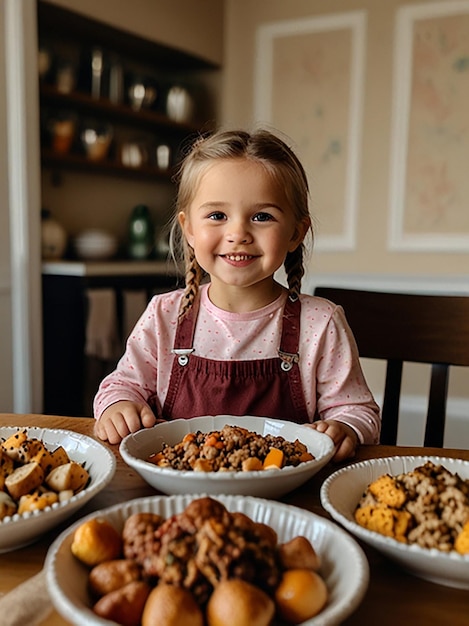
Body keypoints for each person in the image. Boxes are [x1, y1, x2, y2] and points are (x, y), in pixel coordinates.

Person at [93, 128, 380, 461]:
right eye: (217, 216)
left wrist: (344, 428)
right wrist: (118, 407)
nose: (238, 233)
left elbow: (359, 412)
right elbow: (120, 386)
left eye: (262, 217)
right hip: (181, 492)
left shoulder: (320, 323)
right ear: (189, 229)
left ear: (295, 233)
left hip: (283, 497)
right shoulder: (164, 315)